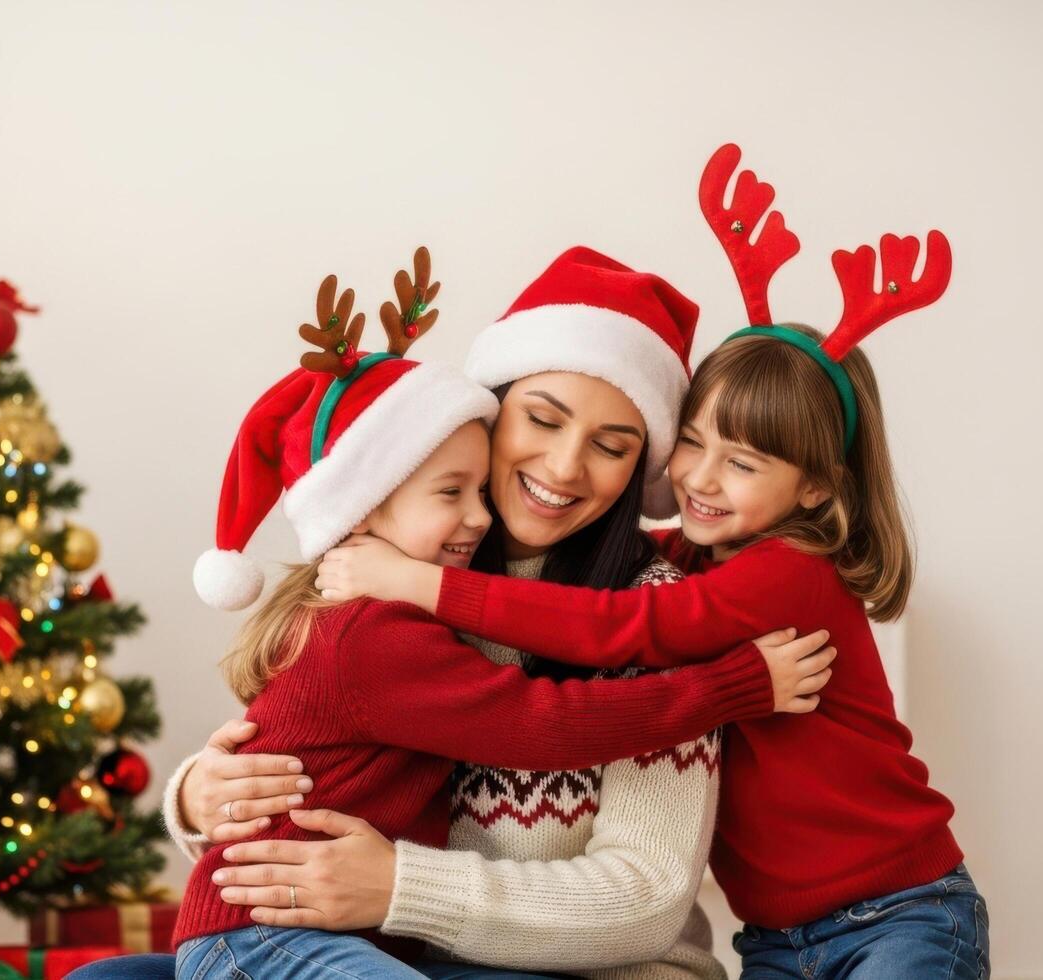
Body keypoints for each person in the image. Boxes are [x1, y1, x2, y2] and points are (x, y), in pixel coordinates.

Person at [318, 146, 990, 980]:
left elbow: (628, 625)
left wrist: (423, 586)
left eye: (612, 445)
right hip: (775, 938)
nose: (565, 471)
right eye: (696, 447)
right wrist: (201, 794)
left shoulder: (753, 579)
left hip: (894, 909)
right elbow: (295, 729)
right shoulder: (409, 552)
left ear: (816, 488)